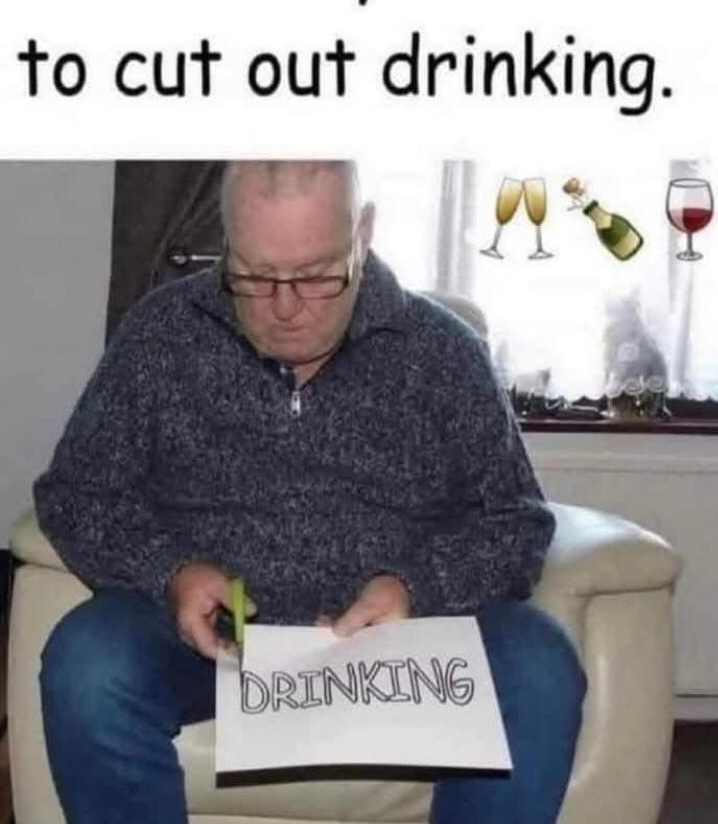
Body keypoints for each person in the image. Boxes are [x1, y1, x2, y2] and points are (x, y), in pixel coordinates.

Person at [35, 160, 585, 824]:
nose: (286, 306)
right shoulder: (161, 334)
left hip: (406, 647)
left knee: (539, 663)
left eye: (318, 274)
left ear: (363, 234)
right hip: (212, 648)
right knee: (88, 662)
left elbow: (517, 524)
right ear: (228, 241)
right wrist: (170, 572)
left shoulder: (443, 352)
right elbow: (75, 494)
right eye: (256, 275)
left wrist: (416, 587)